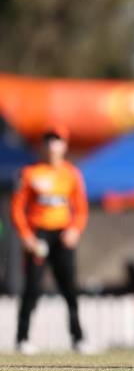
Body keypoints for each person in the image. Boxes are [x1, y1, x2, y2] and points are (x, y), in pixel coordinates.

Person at [11, 124, 90, 354]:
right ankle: (22, 338)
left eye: (56, 140)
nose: (52, 145)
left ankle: (78, 338)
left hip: (62, 236)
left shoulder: (71, 174)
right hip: (38, 236)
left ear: (64, 146)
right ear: (43, 146)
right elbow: (17, 209)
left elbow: (81, 209)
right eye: (48, 140)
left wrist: (74, 230)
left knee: (69, 290)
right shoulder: (29, 173)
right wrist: (27, 237)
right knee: (32, 289)